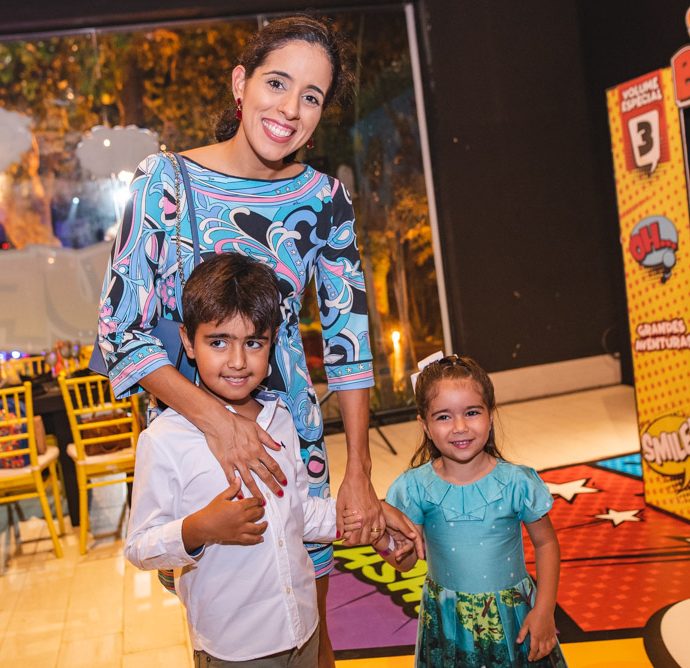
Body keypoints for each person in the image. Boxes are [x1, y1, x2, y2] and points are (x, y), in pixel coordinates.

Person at [97, 15, 420, 664]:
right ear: (242, 84)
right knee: (232, 633)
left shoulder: (323, 198)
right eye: (278, 83)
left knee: (311, 627)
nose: (291, 108)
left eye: (312, 95)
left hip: (294, 448)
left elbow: (348, 338)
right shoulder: (165, 184)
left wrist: (358, 472)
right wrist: (218, 423)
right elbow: (118, 332)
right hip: (196, 451)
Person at [125, 253, 414, 666]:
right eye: (218, 342)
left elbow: (297, 512)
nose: (238, 361)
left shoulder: (279, 418)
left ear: (273, 340)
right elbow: (140, 547)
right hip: (235, 649)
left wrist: (373, 517)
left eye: (253, 343)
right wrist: (199, 528)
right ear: (189, 341)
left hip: (302, 630)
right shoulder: (165, 440)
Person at [384, 354, 568, 667]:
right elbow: (406, 561)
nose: (460, 427)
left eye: (471, 412)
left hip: (513, 619)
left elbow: (546, 543)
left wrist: (544, 610)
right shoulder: (413, 488)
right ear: (424, 425)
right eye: (443, 417)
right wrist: (385, 543)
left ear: (491, 415)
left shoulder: (516, 482)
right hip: (448, 621)